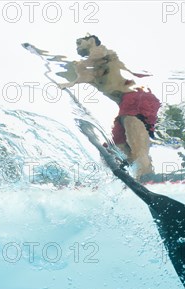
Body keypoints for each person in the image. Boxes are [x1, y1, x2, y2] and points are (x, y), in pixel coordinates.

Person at [57, 35, 161, 181]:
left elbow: (94, 57)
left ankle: (146, 178)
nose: (77, 46)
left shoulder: (101, 51)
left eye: (80, 42)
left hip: (138, 98)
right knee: (111, 152)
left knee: (138, 148)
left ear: (92, 41)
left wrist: (74, 80)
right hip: (125, 105)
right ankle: (128, 181)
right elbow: (81, 73)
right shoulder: (91, 72)